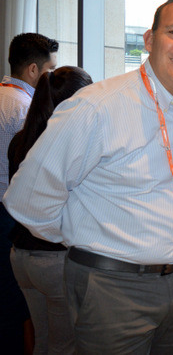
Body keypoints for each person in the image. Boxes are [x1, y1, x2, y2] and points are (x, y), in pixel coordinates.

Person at [3, 0, 173, 354]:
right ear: (149, 39)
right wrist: (90, 240)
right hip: (111, 285)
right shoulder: (97, 106)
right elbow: (27, 200)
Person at [8, 66, 92, 354]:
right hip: (54, 258)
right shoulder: (66, 144)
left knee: (42, 340)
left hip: (21, 255)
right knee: (64, 346)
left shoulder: (22, 139)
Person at [0, 32, 58, 354]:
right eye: (51, 71)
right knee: (15, 307)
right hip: (10, 215)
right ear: (34, 70)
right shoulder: (25, 108)